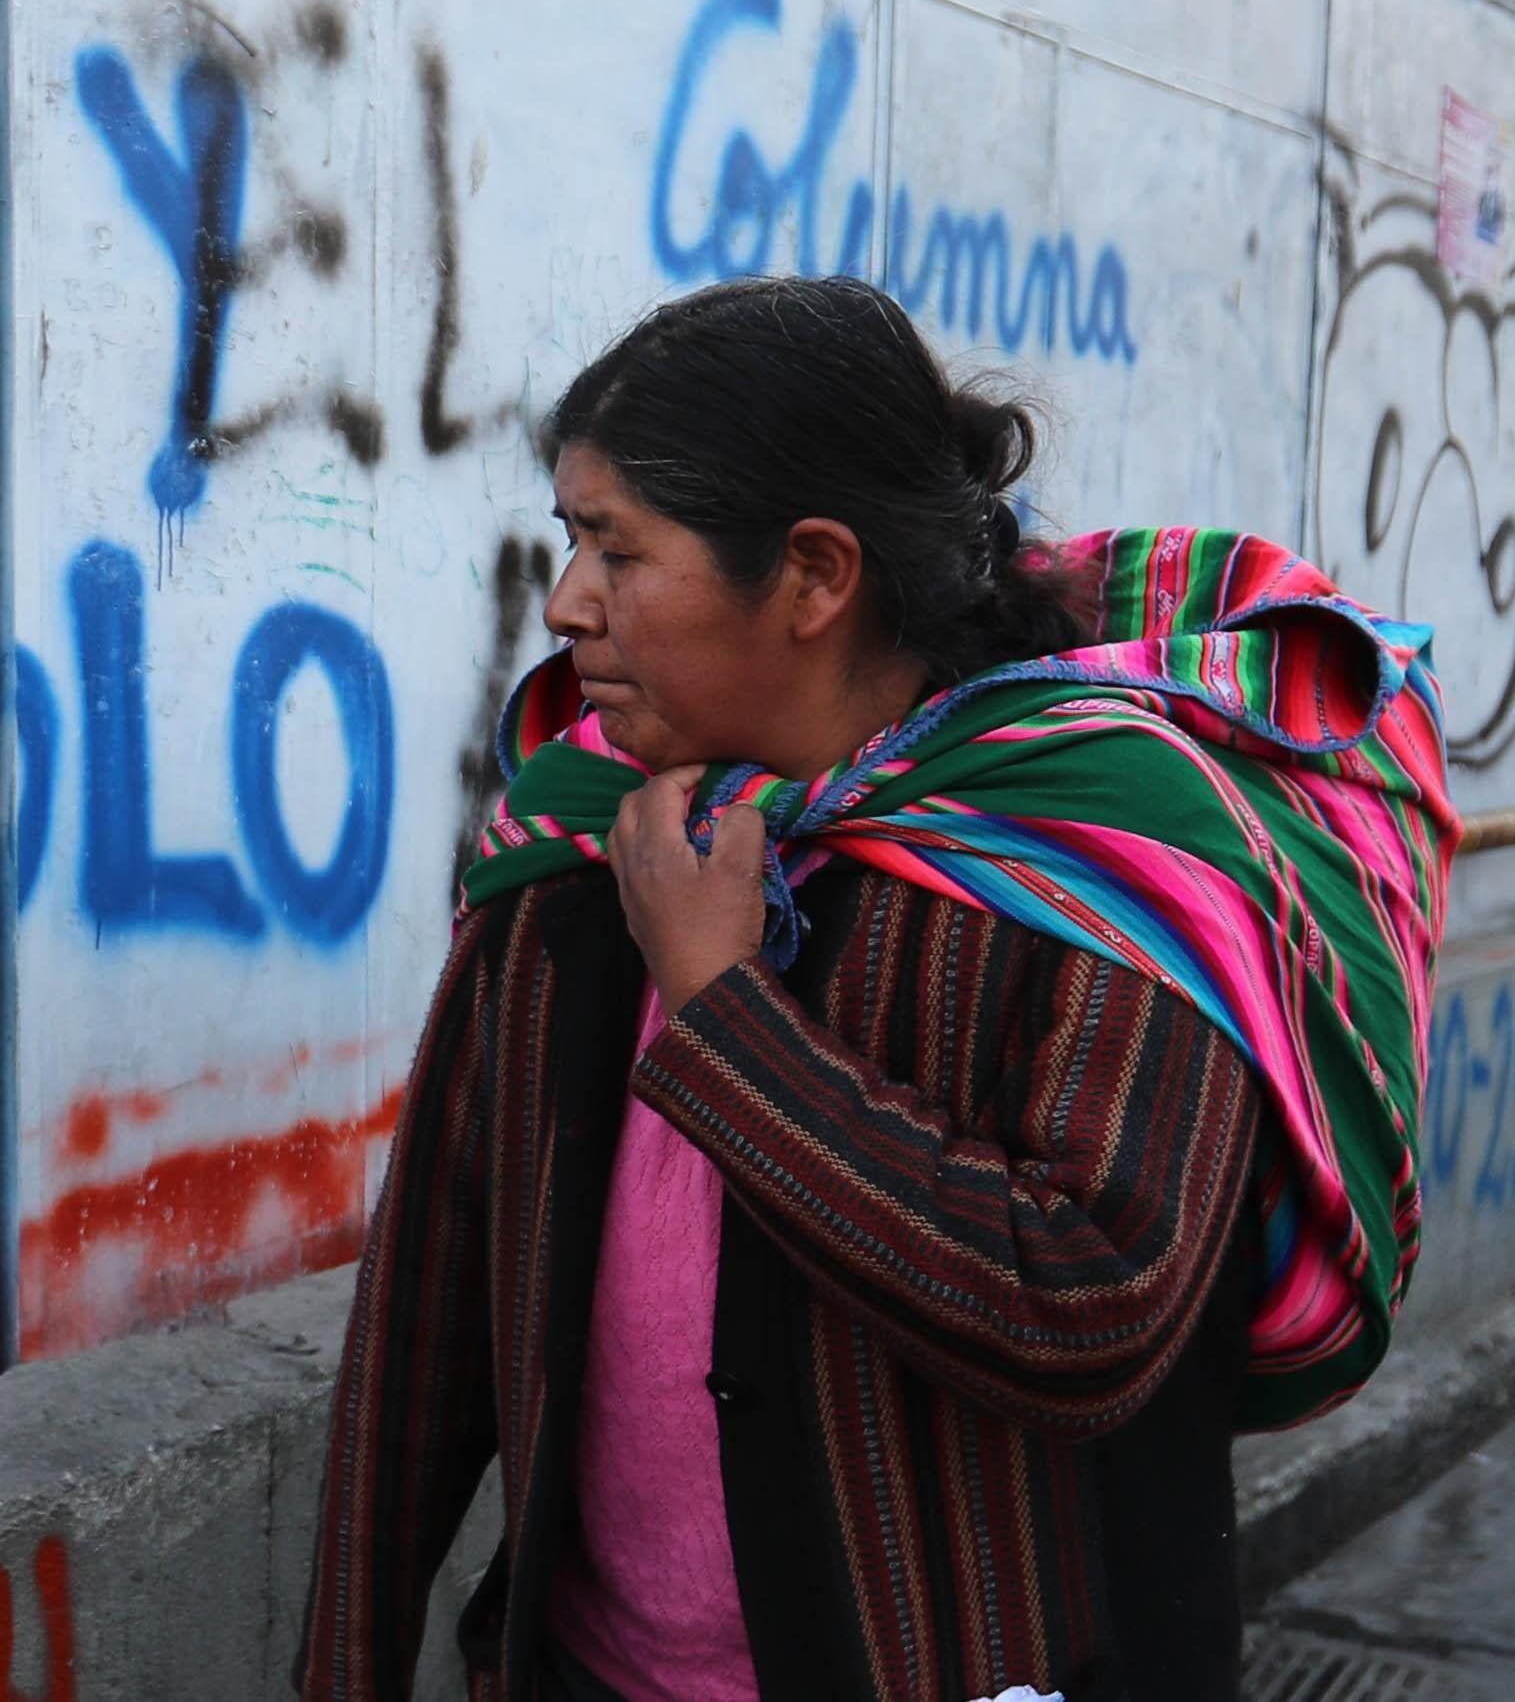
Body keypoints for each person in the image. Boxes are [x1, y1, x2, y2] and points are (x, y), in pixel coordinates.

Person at [300, 276, 1453, 1702]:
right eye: (569, 539)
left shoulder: (1101, 847)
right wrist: (344, 1664)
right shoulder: (583, 847)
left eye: (615, 547)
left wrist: (720, 1008)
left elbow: (1090, 1305)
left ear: (813, 575)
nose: (566, 601)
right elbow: (430, 1309)